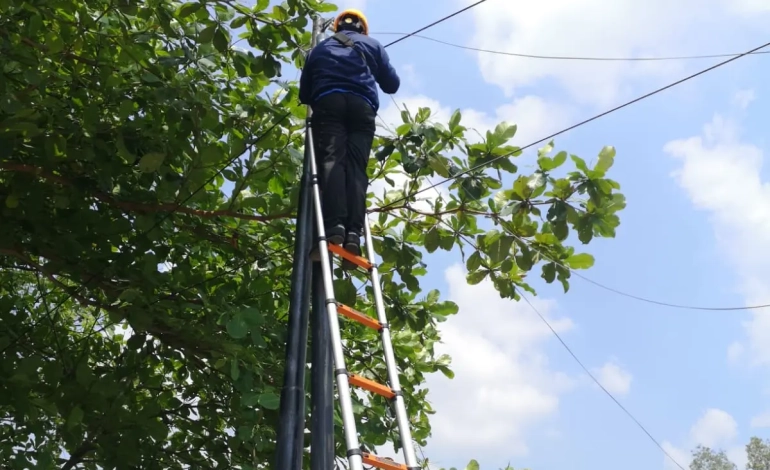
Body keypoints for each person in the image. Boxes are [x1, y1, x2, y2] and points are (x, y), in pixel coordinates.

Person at [299, 8, 400, 269]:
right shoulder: (373, 45)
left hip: (329, 103)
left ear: (337, 28)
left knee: (333, 161)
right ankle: (353, 233)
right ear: (362, 29)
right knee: (356, 167)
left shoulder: (318, 50)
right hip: (362, 107)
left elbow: (304, 94)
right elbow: (392, 84)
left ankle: (335, 226)